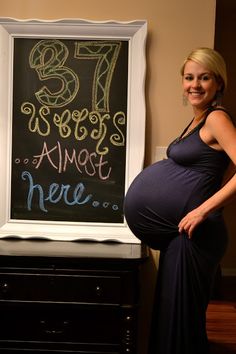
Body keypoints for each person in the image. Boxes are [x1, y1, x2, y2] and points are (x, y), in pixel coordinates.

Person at [124, 47, 236, 354]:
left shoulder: (216, 118)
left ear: (218, 83)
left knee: (181, 320)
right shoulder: (197, 121)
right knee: (173, 314)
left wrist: (202, 210)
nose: (195, 85)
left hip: (194, 235)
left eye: (205, 78)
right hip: (180, 237)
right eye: (189, 78)